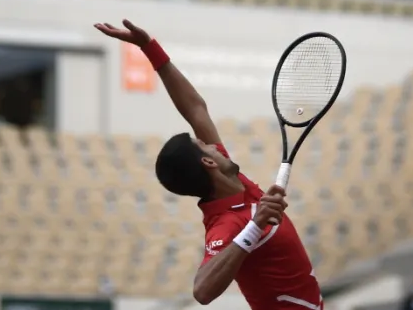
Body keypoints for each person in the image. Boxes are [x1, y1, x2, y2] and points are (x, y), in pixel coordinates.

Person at [95, 20, 319, 310]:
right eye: (204, 145)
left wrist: (149, 47)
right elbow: (202, 291)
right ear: (208, 161)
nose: (212, 143)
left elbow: (195, 109)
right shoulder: (226, 225)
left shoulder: (240, 185)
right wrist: (255, 226)